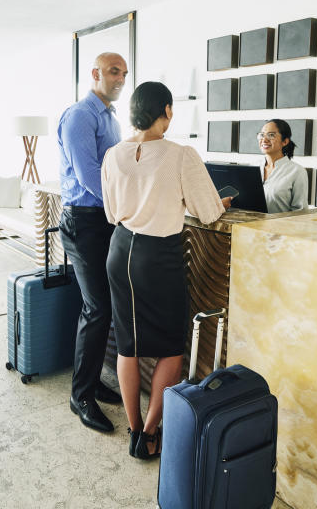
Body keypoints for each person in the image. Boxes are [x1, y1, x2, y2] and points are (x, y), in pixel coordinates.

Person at [101, 81, 233, 459]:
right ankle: (151, 432)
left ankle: (133, 428)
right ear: (167, 112)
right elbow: (207, 212)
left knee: (128, 345)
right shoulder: (180, 154)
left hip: (121, 250)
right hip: (158, 257)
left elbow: (112, 213)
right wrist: (219, 201)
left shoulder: (113, 154)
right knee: (171, 348)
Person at [57, 52, 128, 433]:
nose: (120, 79)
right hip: (84, 222)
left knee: (103, 308)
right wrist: (127, 204)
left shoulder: (111, 118)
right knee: (97, 308)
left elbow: (116, 171)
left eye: (124, 73)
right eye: (114, 72)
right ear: (96, 73)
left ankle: (93, 380)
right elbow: (90, 177)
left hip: (105, 221)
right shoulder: (80, 116)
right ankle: (80, 396)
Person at [257, 118, 308, 213]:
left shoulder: (297, 172)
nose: (264, 139)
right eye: (262, 135)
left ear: (285, 141)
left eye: (271, 135)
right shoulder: (252, 167)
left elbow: (300, 213)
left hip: (279, 227)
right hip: (246, 226)